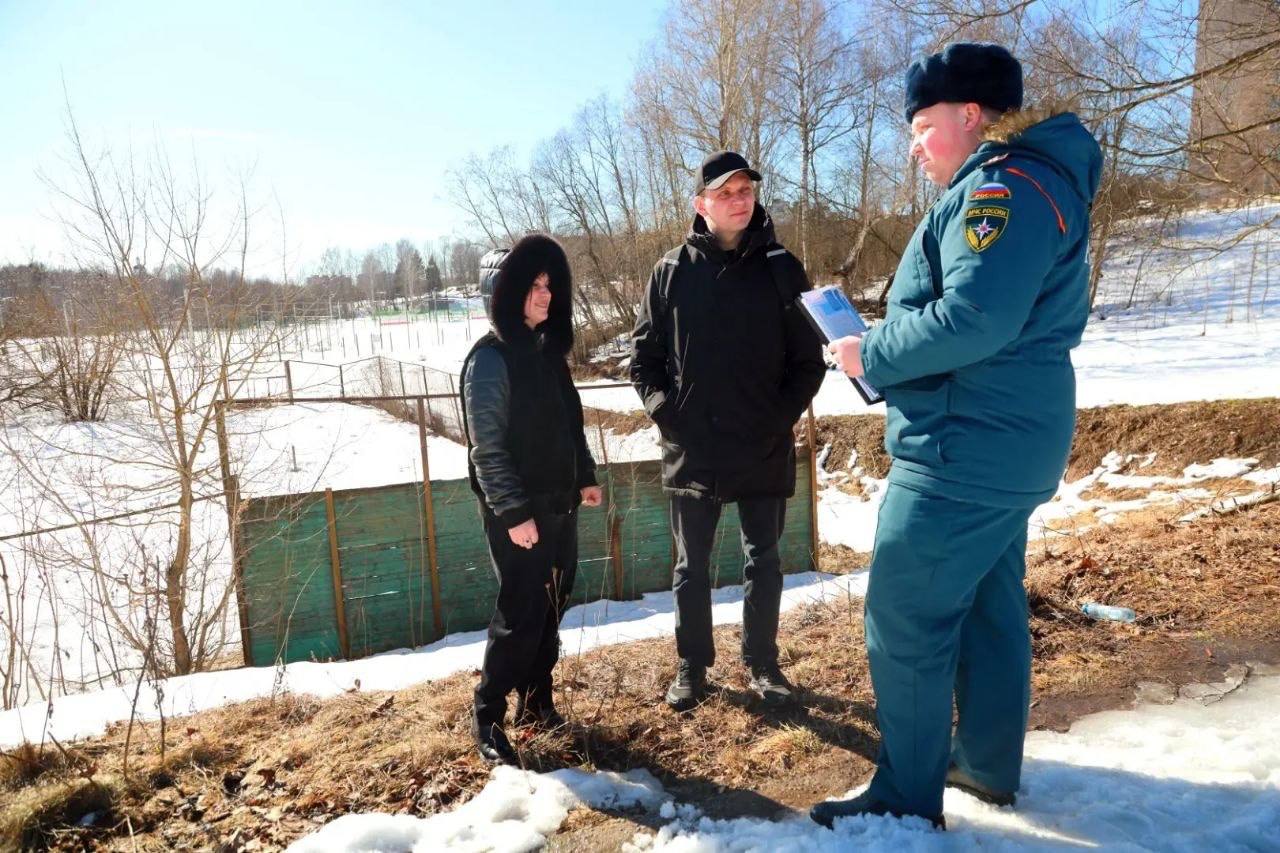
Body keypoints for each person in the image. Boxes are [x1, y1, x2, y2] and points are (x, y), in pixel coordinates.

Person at [810, 44, 1102, 830]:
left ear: (970, 115)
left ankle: (905, 799)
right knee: (986, 604)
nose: (913, 145)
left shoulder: (1000, 191)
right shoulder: (1032, 180)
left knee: (904, 612)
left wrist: (869, 352)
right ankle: (984, 764)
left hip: (960, 447)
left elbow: (975, 316)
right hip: (1002, 440)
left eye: (922, 126)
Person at [630, 150, 825, 712]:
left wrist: (778, 418)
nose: (739, 201)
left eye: (745, 191)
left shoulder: (782, 268)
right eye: (725, 193)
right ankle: (692, 665)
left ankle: (763, 663)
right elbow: (644, 361)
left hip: (763, 443)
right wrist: (669, 415)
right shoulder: (671, 271)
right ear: (701, 204)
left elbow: (808, 362)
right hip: (693, 447)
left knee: (764, 560)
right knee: (691, 567)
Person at [460, 233, 604, 765]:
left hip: (560, 505)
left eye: (548, 285)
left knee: (551, 605)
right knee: (520, 613)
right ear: (503, 295)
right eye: (532, 286)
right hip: (518, 513)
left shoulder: (547, 353)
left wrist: (584, 475)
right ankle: (488, 717)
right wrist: (515, 514)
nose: (545, 295)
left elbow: (570, 424)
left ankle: (538, 703)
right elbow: (487, 449)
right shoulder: (490, 361)